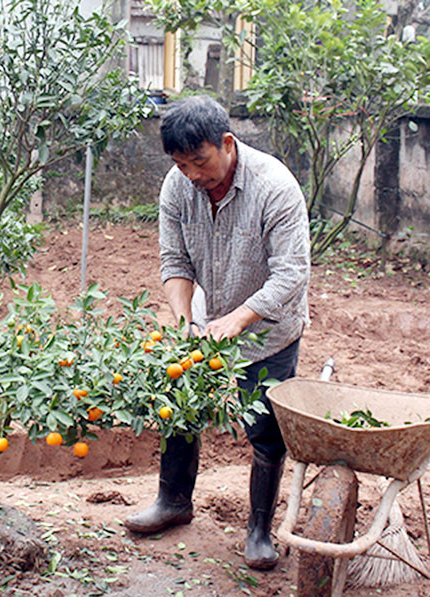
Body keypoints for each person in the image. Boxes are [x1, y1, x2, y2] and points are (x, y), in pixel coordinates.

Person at [124, 95, 310, 571]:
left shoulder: (275, 187)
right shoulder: (177, 186)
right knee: (179, 405)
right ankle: (173, 501)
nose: (191, 174)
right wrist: (186, 319)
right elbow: (175, 261)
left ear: (227, 143)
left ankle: (259, 529)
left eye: (199, 161)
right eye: (181, 164)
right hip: (207, 317)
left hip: (269, 327)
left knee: (265, 426)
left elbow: (291, 274)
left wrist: (239, 319)